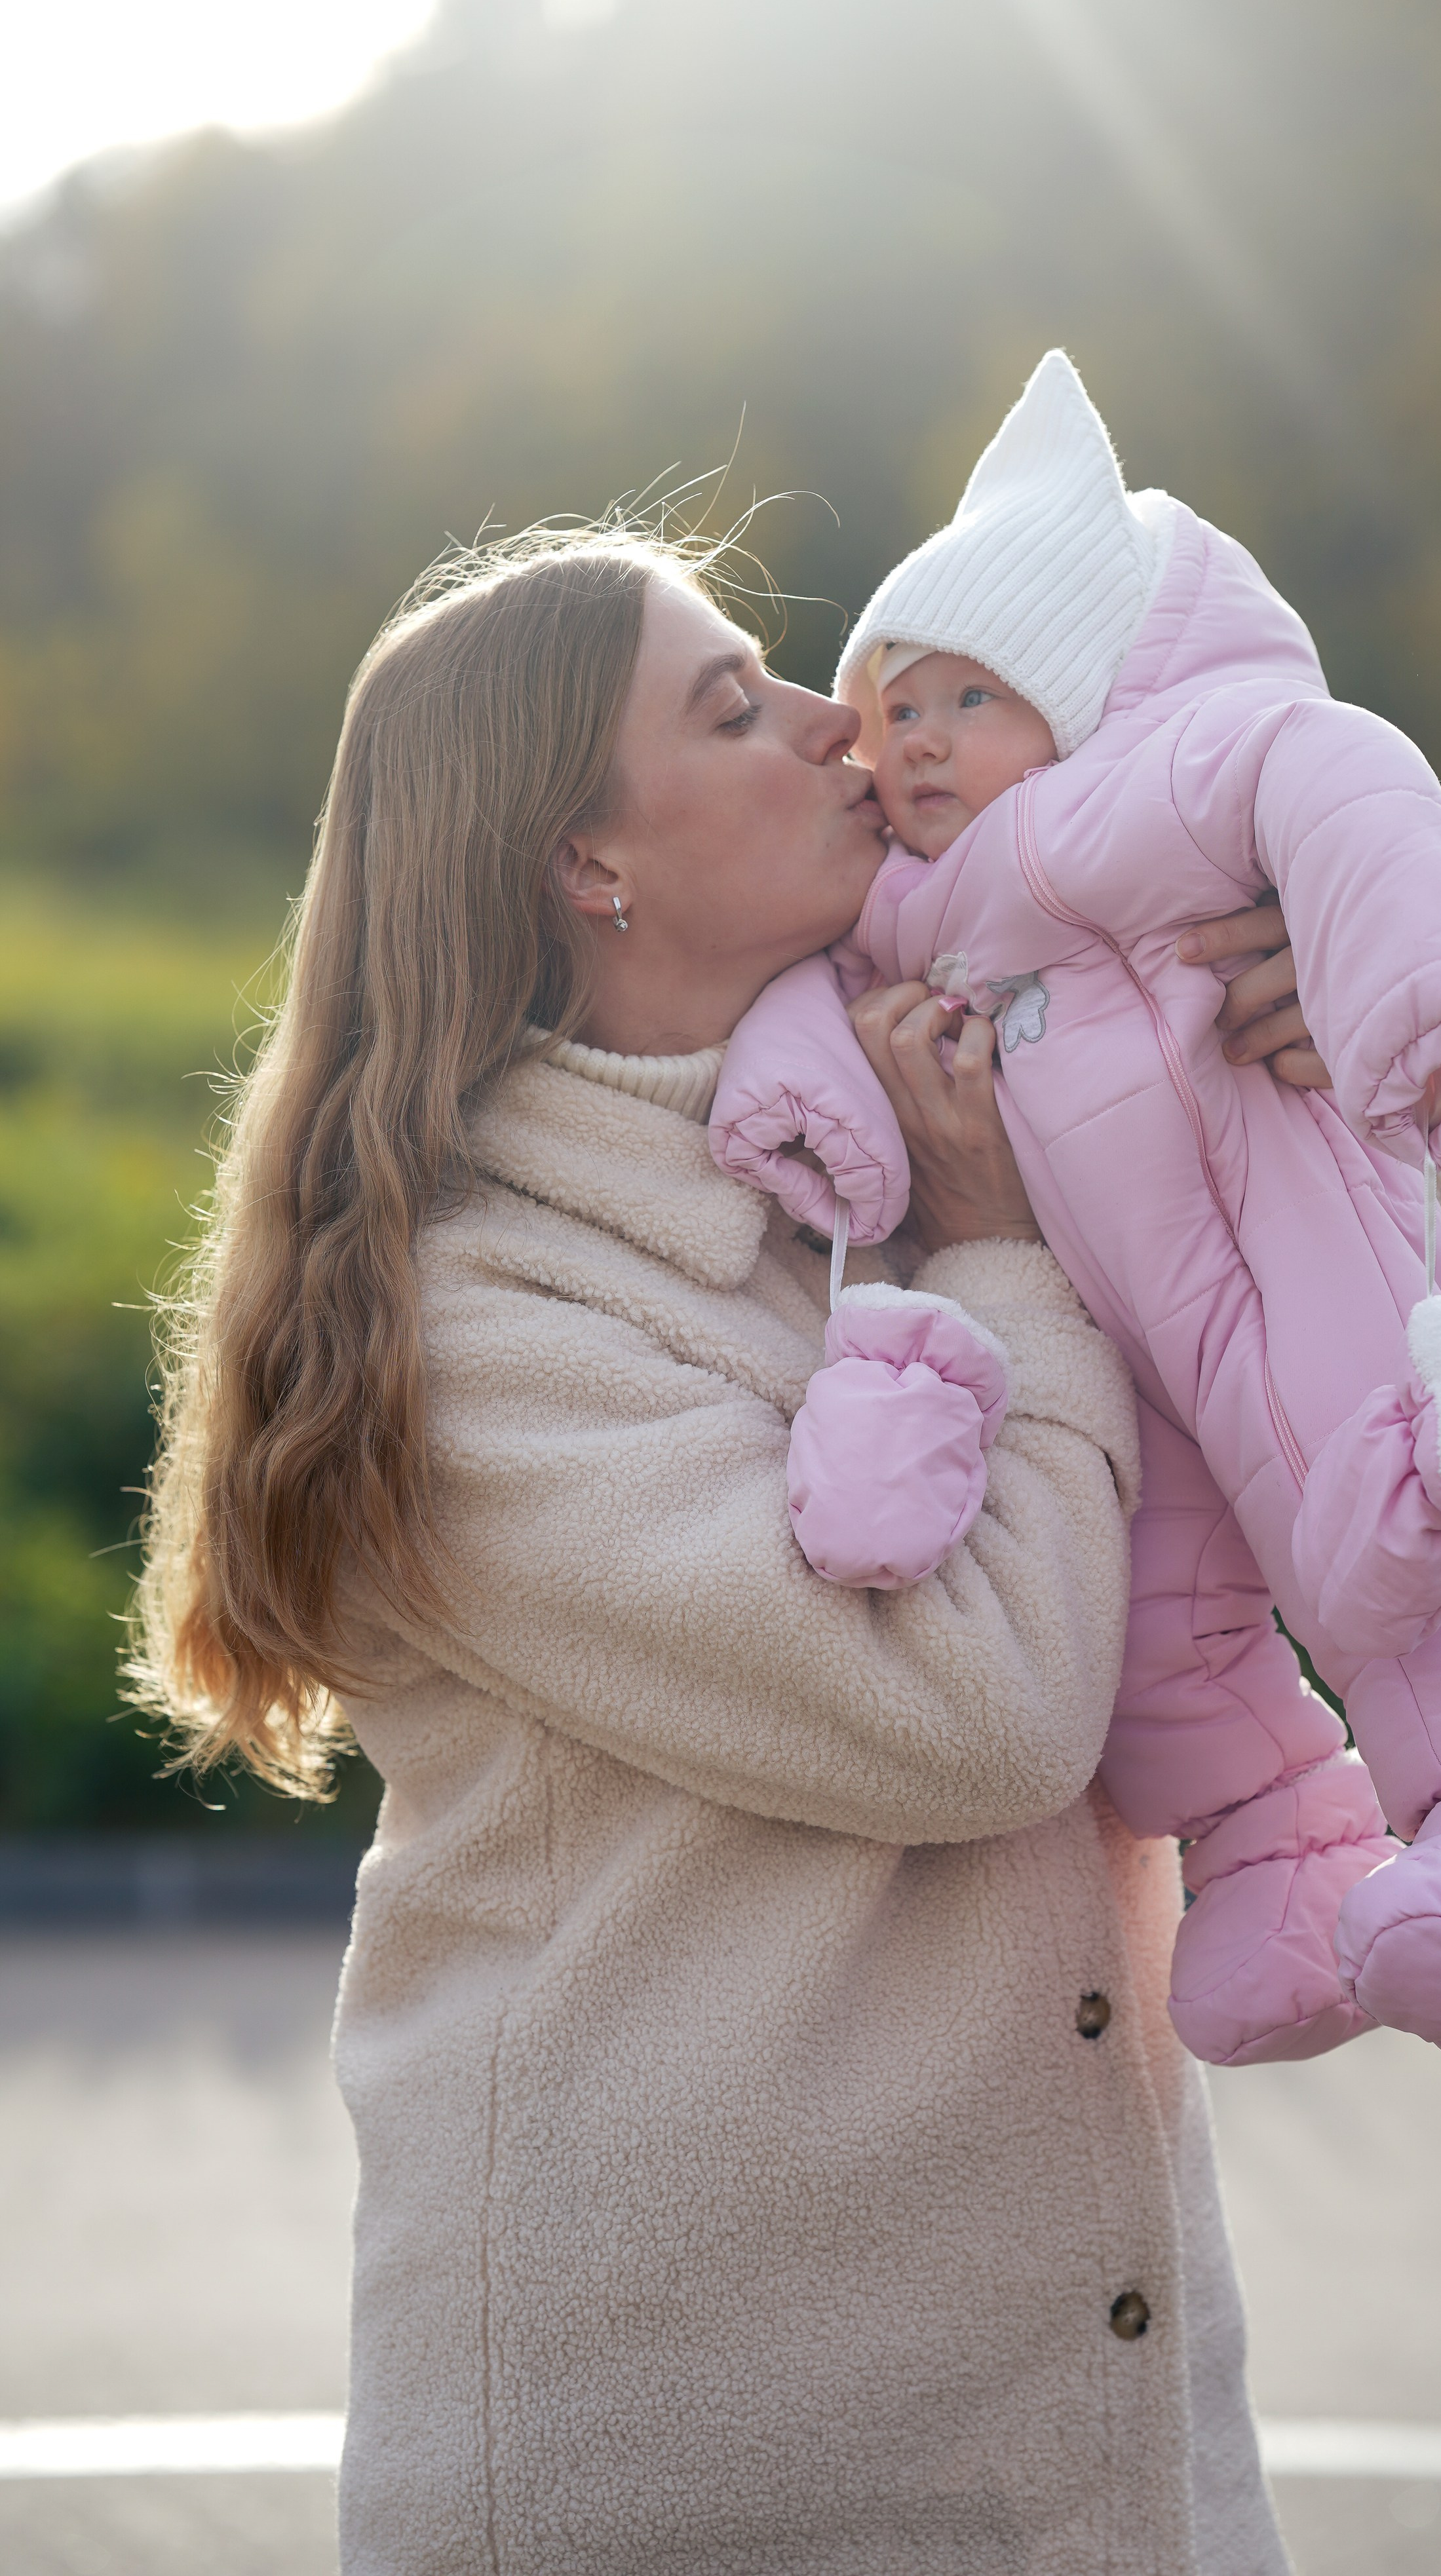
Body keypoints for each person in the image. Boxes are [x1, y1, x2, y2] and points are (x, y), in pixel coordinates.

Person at [134, 525, 1316, 2573]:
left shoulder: (888, 1129)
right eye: (729, 706)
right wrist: (1001, 1254)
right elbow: (980, 1720)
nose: (834, 719)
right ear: (584, 861)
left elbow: (1354, 1379)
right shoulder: (471, 1341)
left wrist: (1331, 1067)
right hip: (708, 2478)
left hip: (1099, 2457)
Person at [708, 350, 1441, 2071]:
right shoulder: (896, 910)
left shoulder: (1152, 788)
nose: (918, 739)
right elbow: (811, 1011)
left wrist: (1407, 985)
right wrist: (802, 1113)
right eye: (893, 710)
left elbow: (1339, 773)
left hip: (1277, 1246)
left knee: (1388, 1522)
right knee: (1158, 1639)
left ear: (1074, 694)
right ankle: (1278, 1859)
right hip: (1115, 1344)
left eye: (966, 696)